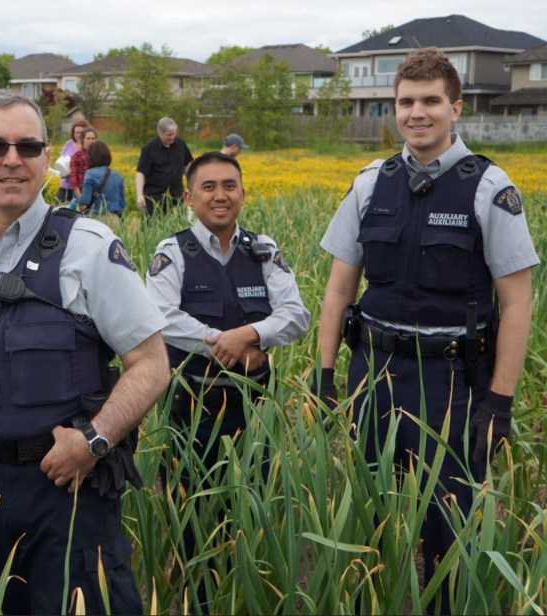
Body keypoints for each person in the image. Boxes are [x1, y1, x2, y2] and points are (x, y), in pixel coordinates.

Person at [0, 89, 170, 615]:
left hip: (65, 490)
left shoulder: (89, 249)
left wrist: (94, 441)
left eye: (28, 146)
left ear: (48, 158)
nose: (12, 160)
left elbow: (152, 364)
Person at [316, 48, 538, 611]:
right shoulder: (371, 183)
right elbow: (340, 289)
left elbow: (517, 303)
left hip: (453, 384)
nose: (418, 113)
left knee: (452, 526)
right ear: (395, 107)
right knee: (369, 519)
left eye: (431, 101)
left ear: (455, 107)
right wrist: (324, 375)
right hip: (376, 375)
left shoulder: (490, 188)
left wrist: (501, 401)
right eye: (406, 101)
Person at [146, 152, 309, 608]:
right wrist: (227, 341)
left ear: (242, 192)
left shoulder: (262, 249)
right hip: (190, 407)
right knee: (190, 514)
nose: (221, 196)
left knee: (250, 508)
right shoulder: (172, 252)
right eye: (209, 187)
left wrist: (254, 333)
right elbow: (159, 318)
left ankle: (243, 596)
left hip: (253, 408)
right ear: (189, 196)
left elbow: (296, 315)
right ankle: (194, 598)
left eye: (230, 186)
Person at [136, 117, 193, 217]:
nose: (172, 137)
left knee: (180, 227)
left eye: (174, 134)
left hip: (177, 196)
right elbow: (141, 173)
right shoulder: (149, 148)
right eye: (169, 135)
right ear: (160, 133)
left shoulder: (180, 144)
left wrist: (192, 185)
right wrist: (139, 195)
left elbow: (187, 166)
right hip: (155, 198)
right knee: (153, 228)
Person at [78, 140, 126, 218]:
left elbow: (85, 200)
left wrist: (75, 201)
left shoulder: (90, 174)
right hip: (114, 217)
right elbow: (122, 202)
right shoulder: (117, 175)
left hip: (97, 217)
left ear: (90, 156)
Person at [56, 119, 89, 203]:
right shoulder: (69, 144)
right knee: (60, 208)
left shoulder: (89, 146)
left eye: (81, 132)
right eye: (76, 132)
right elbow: (61, 159)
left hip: (81, 186)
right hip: (65, 184)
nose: (78, 135)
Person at [69, 127, 97, 202]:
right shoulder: (76, 156)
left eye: (93, 138)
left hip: (96, 193)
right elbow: (74, 180)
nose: (91, 141)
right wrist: (81, 199)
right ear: (82, 140)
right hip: (82, 193)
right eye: (88, 138)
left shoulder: (98, 155)